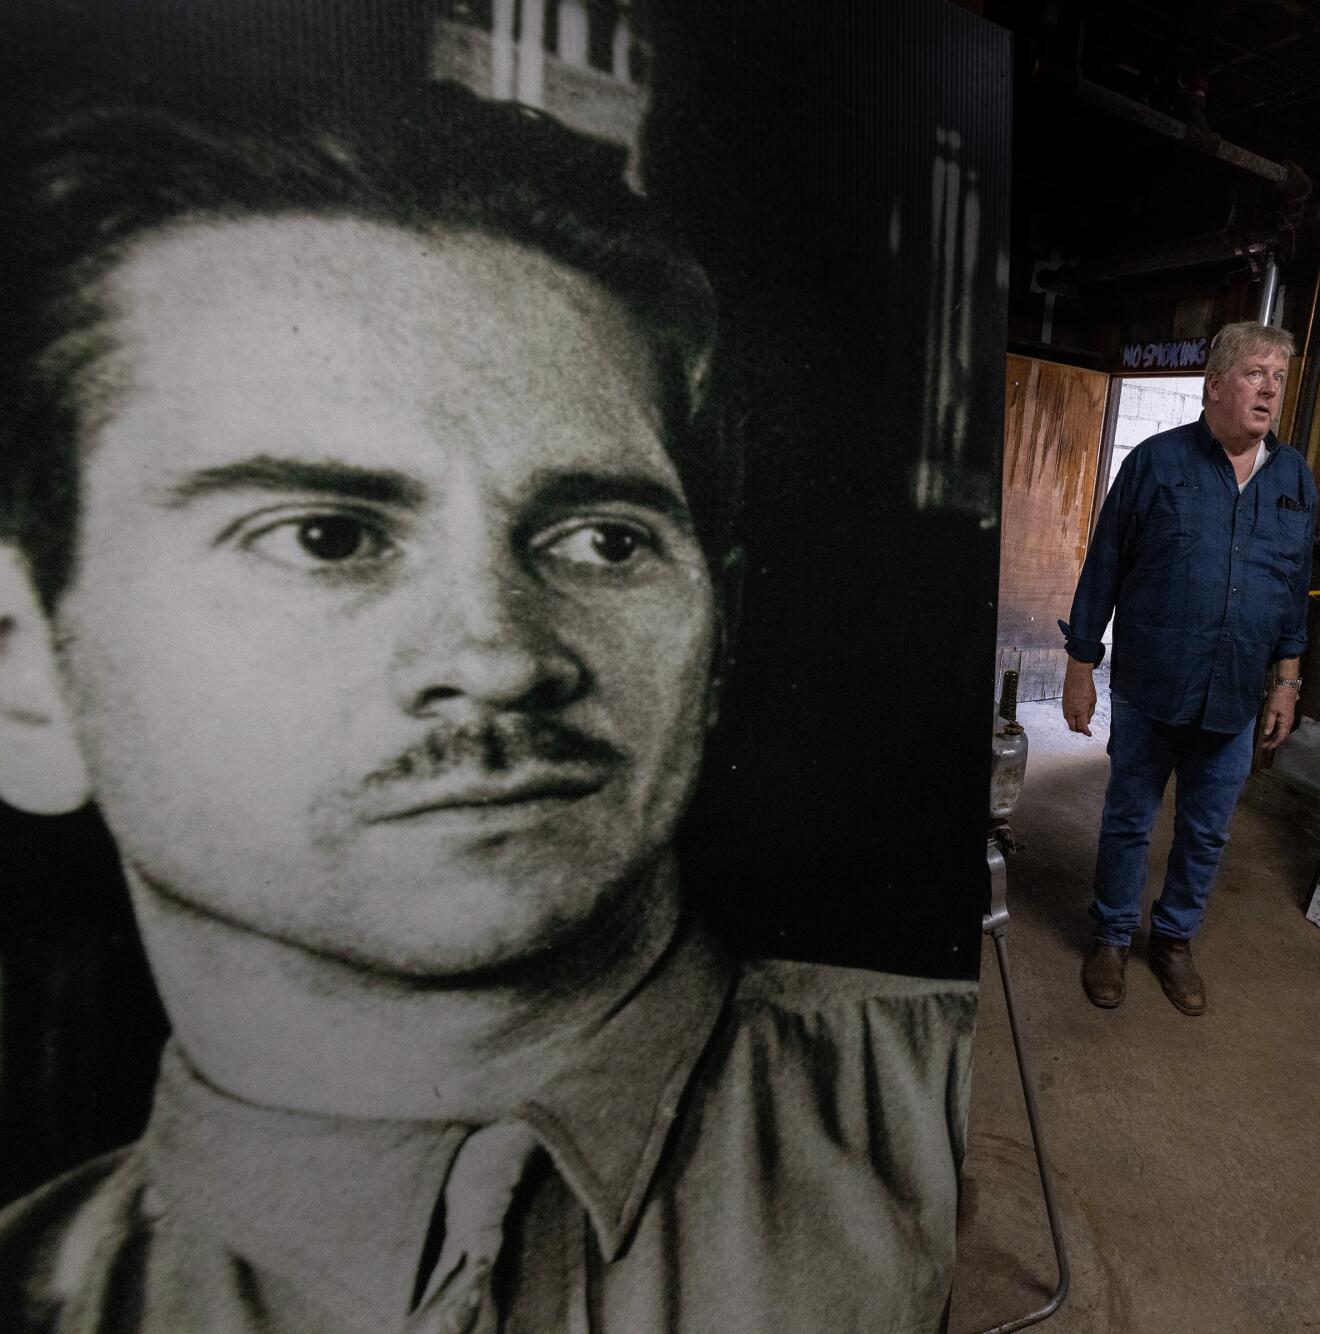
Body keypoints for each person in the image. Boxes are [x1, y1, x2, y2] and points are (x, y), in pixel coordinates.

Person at [0, 88, 973, 1334]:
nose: (498, 653)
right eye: (325, 534)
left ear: (719, 632)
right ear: (26, 672)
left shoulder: (968, 1120)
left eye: (600, 539)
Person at [1058, 320, 1317, 1016]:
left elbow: (1294, 591)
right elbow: (1105, 565)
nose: (1269, 389)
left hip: (1234, 695)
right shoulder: (1155, 463)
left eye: (1279, 378)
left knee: (1206, 830)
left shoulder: (1293, 477)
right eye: (1255, 373)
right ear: (1214, 384)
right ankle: (1111, 936)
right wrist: (1081, 665)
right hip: (1152, 686)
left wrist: (1287, 683)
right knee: (1129, 819)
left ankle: (1172, 941)